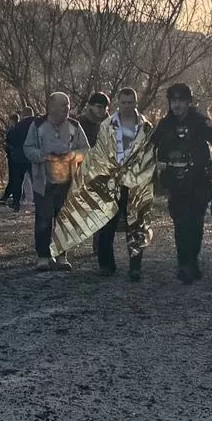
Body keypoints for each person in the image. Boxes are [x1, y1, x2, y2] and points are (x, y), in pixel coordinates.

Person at [149, 82, 212, 283]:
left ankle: (193, 261)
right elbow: (150, 147)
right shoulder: (165, 124)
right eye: (173, 100)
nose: (177, 105)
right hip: (175, 180)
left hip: (199, 179)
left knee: (195, 222)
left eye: (181, 100)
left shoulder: (199, 122)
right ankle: (184, 264)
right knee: (180, 223)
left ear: (189, 102)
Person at [23, 92, 90, 271]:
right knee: (43, 219)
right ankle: (43, 257)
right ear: (51, 107)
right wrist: (43, 156)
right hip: (43, 181)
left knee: (64, 220)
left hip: (67, 182)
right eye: (63, 105)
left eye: (68, 105)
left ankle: (62, 256)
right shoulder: (38, 125)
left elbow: (85, 149)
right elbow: (27, 148)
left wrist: (71, 156)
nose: (67, 108)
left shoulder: (74, 126)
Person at [94, 88, 152, 279]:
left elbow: (150, 154)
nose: (127, 106)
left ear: (136, 103)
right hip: (112, 179)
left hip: (135, 180)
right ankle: (106, 264)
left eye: (130, 102)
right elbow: (100, 152)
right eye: (124, 102)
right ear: (118, 103)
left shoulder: (145, 126)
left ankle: (135, 266)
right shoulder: (107, 125)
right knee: (107, 222)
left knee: (136, 224)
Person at [1, 109, 36, 210]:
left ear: (23, 115)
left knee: (18, 181)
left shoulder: (18, 125)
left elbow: (10, 139)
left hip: (19, 156)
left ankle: (16, 203)